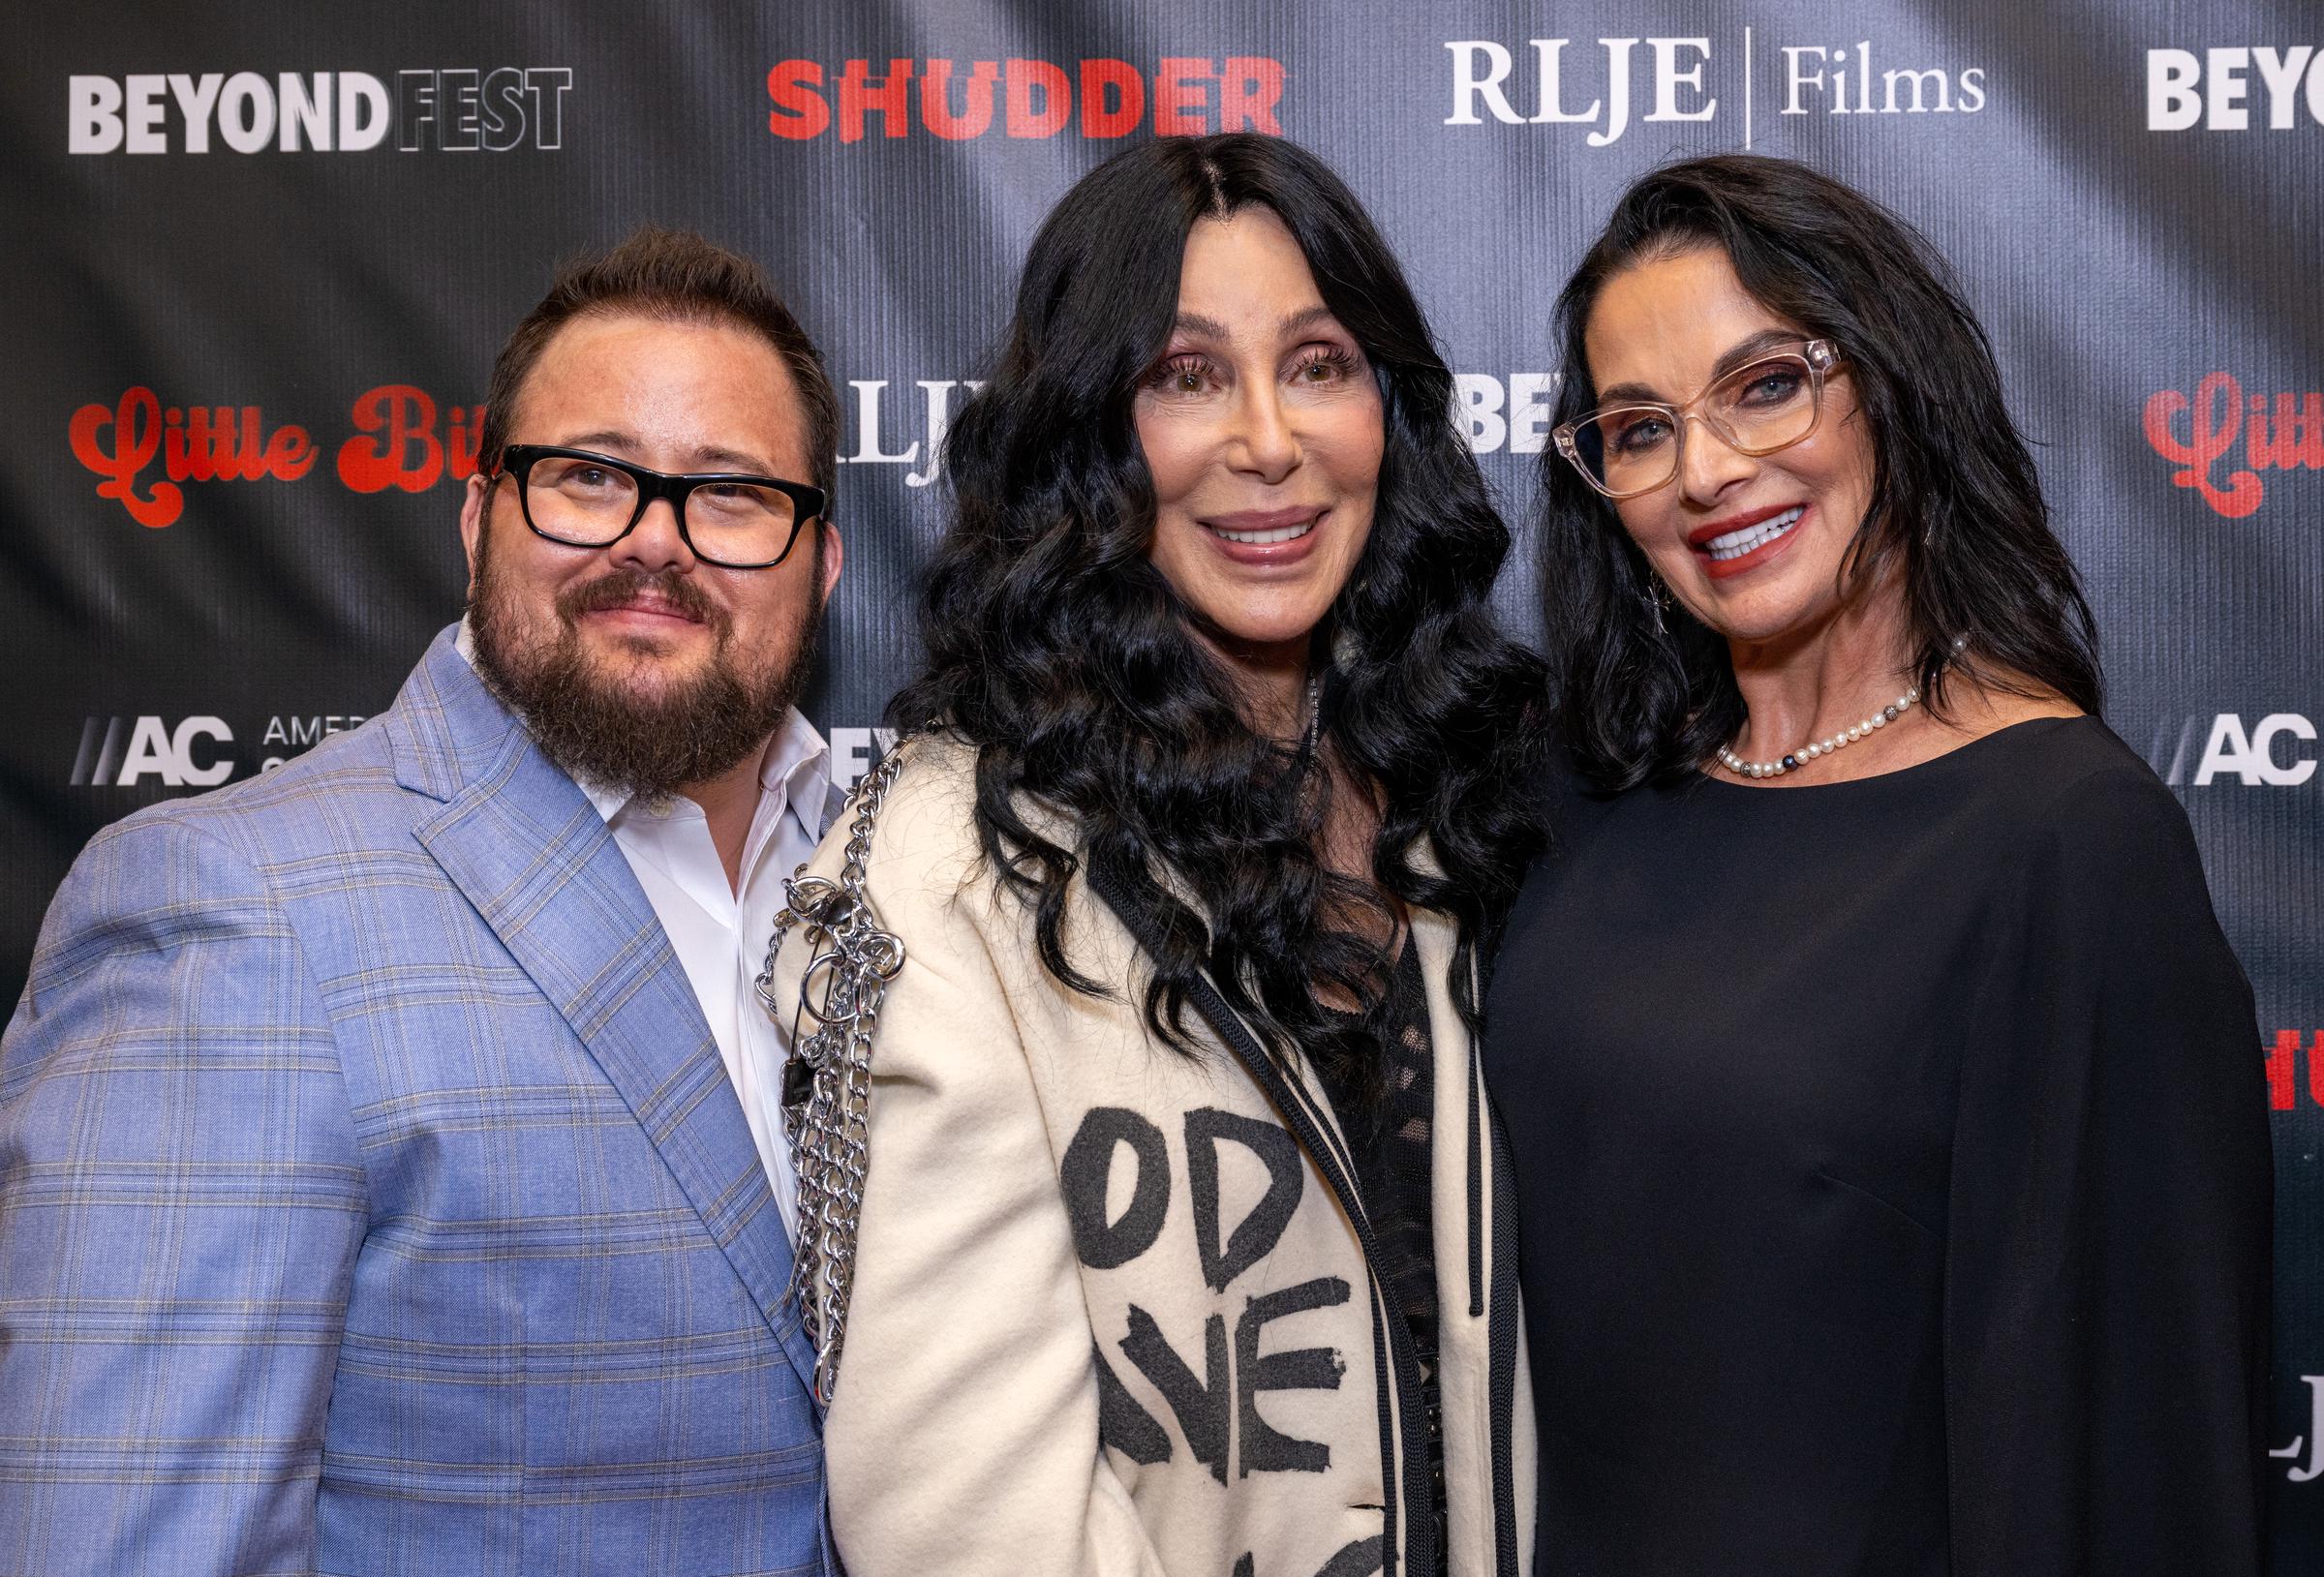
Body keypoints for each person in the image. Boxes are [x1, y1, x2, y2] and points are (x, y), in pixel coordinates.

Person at [0, 227, 847, 1575]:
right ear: (476, 520)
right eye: (587, 475)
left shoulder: (883, 882)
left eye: (733, 493)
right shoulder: (231, 909)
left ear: (824, 563)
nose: (654, 542)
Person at [767, 133, 1543, 1577]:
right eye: (1187, 376)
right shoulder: (946, 876)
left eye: (1318, 363)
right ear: (1086, 439)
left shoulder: (1476, 806)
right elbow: (968, 1524)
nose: (1267, 438)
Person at [1487, 154, 2272, 1576]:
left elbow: (2133, 1462)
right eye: (1640, 428)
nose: (1707, 470)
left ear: (1894, 382)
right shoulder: (1582, 802)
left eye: (1766, 382)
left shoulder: (2067, 842)